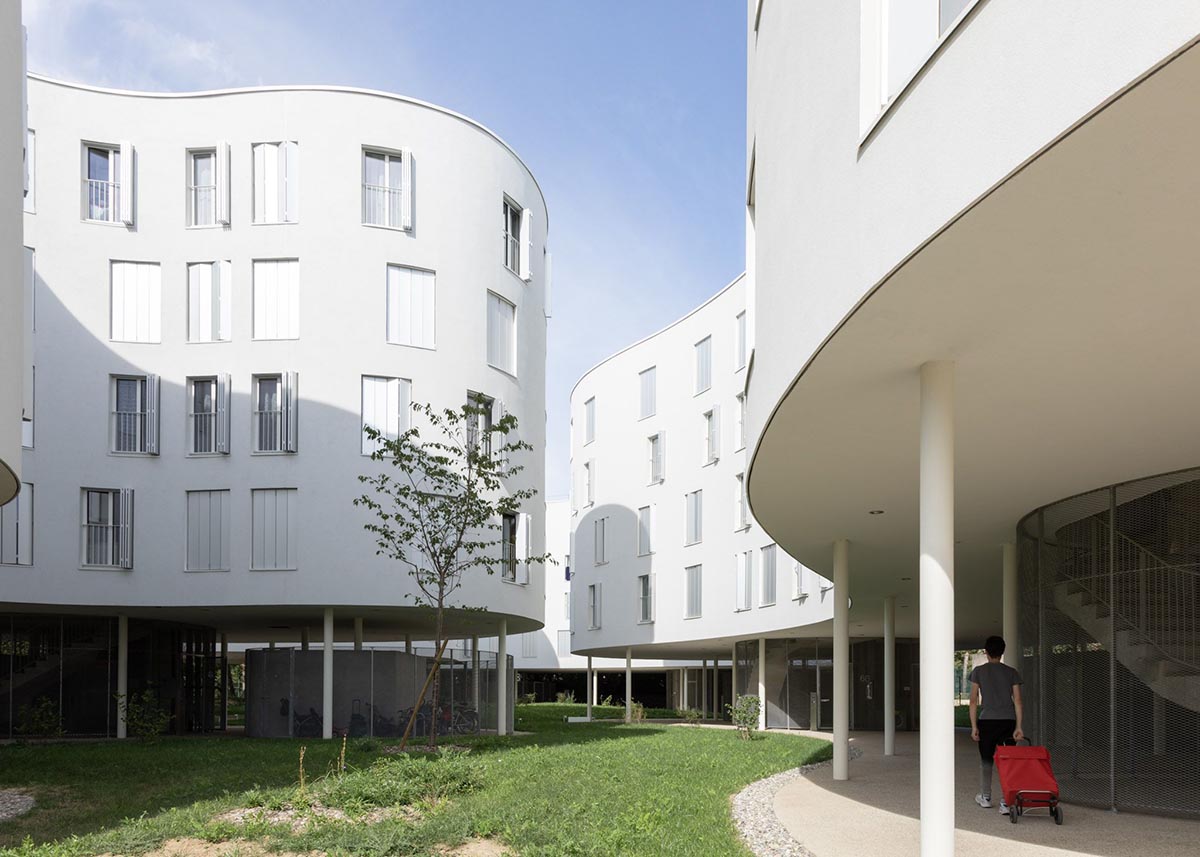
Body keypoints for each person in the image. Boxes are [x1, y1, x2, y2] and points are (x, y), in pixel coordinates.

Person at [969, 635, 1023, 815]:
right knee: (1006, 761)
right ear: (1002, 652)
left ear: (986, 652)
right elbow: (1018, 701)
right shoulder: (1011, 672)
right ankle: (1006, 801)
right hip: (1008, 721)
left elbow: (973, 701)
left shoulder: (978, 671)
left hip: (987, 721)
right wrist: (1019, 726)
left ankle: (985, 797)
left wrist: (974, 726)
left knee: (986, 760)